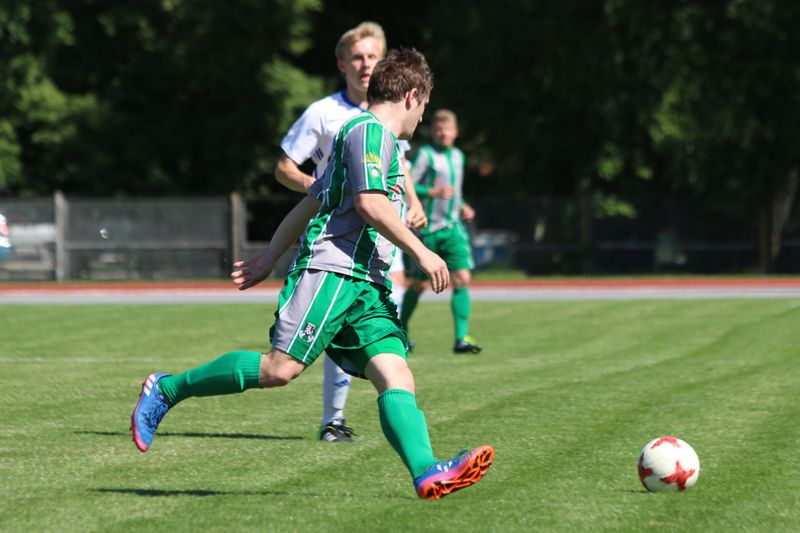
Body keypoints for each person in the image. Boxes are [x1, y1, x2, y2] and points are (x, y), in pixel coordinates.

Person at [131, 48, 494, 500]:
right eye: (424, 107)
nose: (421, 118)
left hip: (367, 284)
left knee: (396, 374)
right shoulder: (368, 132)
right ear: (412, 95)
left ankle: (426, 471)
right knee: (280, 368)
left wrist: (269, 256)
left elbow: (313, 200)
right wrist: (423, 252)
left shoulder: (364, 137)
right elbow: (369, 204)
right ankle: (167, 389)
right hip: (333, 270)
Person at [274, 21, 426, 442]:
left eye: (372, 56)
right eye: (357, 57)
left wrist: (413, 202)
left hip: (378, 245)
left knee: (392, 356)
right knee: (283, 365)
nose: (365, 64)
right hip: (337, 248)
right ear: (342, 64)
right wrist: (323, 188)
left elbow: (397, 166)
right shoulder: (327, 114)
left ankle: (425, 465)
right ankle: (334, 417)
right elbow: (286, 168)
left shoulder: (390, 116)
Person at [400, 110, 482, 354]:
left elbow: (454, 191)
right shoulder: (426, 154)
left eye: (446, 129)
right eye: (438, 129)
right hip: (428, 230)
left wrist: (462, 205)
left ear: (455, 132)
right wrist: (432, 193)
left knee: (462, 278)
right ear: (433, 132)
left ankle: (461, 338)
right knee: (419, 284)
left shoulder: (458, 156)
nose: (442, 133)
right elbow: (407, 184)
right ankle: (401, 332)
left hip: (453, 228)